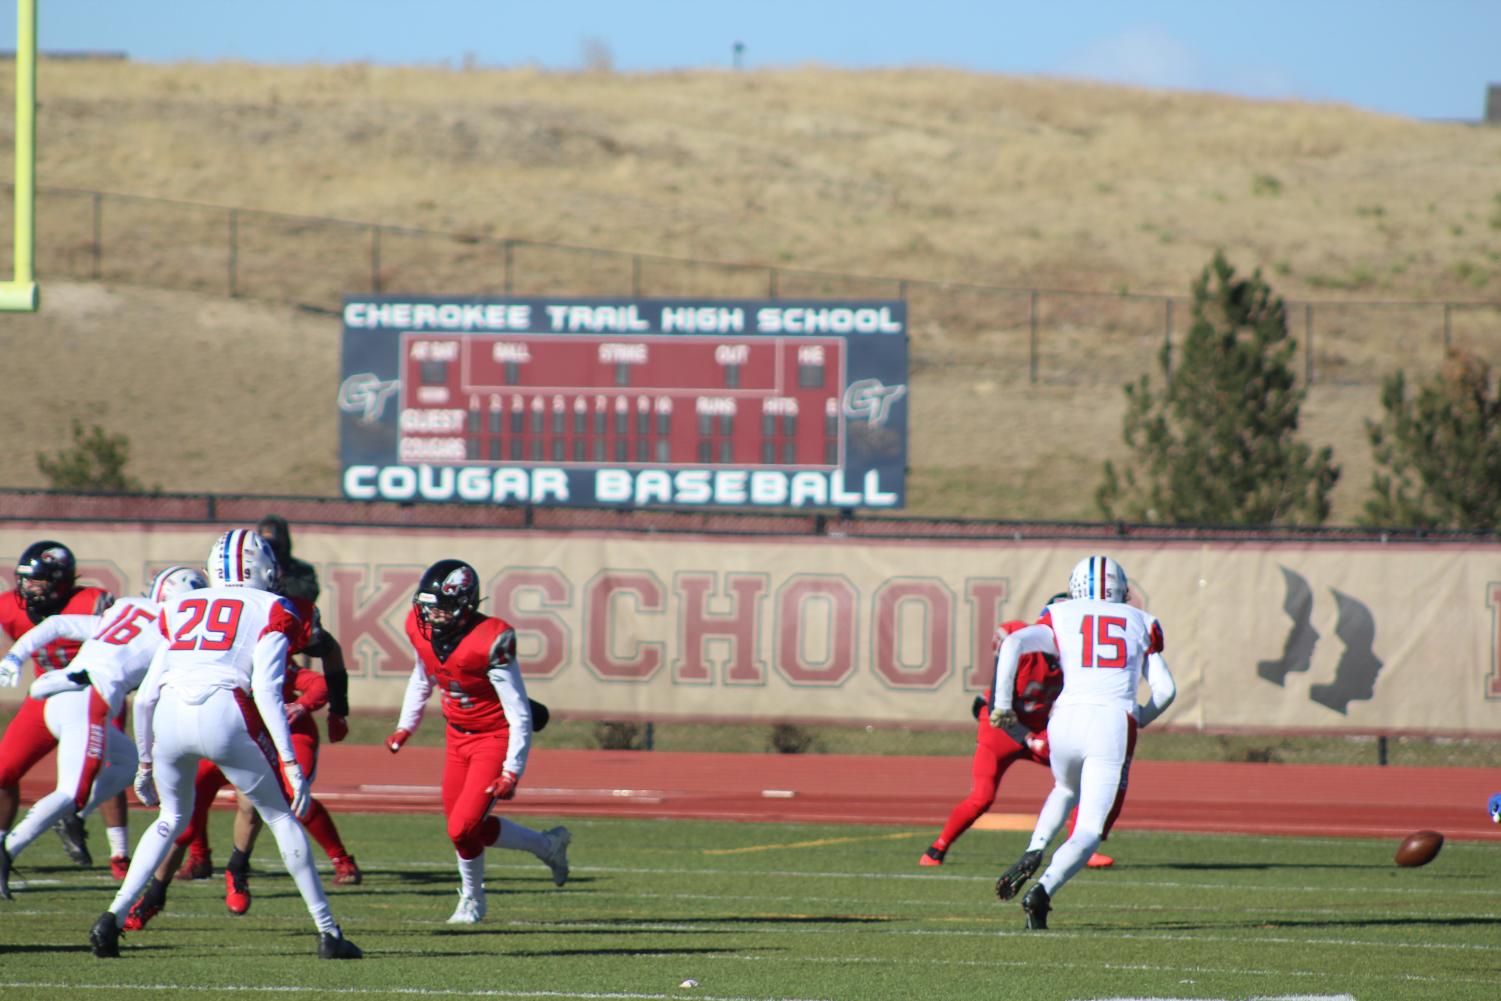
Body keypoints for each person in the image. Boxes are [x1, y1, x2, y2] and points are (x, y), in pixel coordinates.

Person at [88, 529, 361, 960]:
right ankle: (329, 933)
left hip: (171, 715)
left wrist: (144, 763)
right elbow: (268, 691)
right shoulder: (274, 606)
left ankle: (113, 916)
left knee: (169, 819)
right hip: (226, 710)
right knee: (280, 816)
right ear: (266, 569)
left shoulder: (181, 606)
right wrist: (289, 762)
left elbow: (147, 695)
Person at [990, 556, 1176, 930]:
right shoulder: (1142, 621)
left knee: (1064, 787)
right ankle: (1042, 891)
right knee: (1089, 830)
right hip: (1112, 720)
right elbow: (1166, 690)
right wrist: (1139, 718)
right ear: (1121, 588)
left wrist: (1002, 705)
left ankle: (1035, 847)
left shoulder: (1059, 613)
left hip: (1065, 719)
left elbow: (1012, 644)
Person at [0, 566, 208, 899]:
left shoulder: (126, 608)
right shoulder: (172, 632)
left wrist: (14, 656)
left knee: (126, 764)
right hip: (87, 699)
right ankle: (8, 849)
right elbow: (151, 694)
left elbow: (54, 624)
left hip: (54, 692)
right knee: (72, 791)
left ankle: (70, 814)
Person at [385, 558, 570, 924]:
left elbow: (518, 711)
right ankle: (548, 845)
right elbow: (423, 676)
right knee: (467, 828)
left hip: (493, 737)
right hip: (456, 737)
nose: (433, 615)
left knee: (462, 829)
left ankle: (472, 900)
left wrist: (511, 770)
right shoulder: (420, 629)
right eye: (429, 606)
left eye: (443, 607)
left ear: (465, 605)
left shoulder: (489, 640)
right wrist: (407, 725)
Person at [123, 657, 361, 930]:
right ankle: (158, 891)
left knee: (279, 799)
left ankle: (238, 869)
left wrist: (308, 706)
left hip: (260, 736)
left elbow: (318, 672)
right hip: (216, 730)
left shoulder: (262, 648)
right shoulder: (195, 654)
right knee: (182, 813)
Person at [919, 595, 1121, 870]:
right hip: (1001, 729)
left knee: (1085, 776)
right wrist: (1027, 738)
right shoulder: (1022, 645)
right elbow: (995, 708)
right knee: (982, 797)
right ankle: (937, 848)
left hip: (1039, 730)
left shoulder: (1077, 660)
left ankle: (1080, 845)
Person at [0, 540, 126, 877]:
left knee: (108, 766)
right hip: (44, 698)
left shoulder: (92, 603)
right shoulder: (9, 607)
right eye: (26, 580)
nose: (29, 588)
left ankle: (118, 853)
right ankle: (2, 844)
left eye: (39, 581)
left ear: (62, 582)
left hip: (94, 696)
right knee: (3, 770)